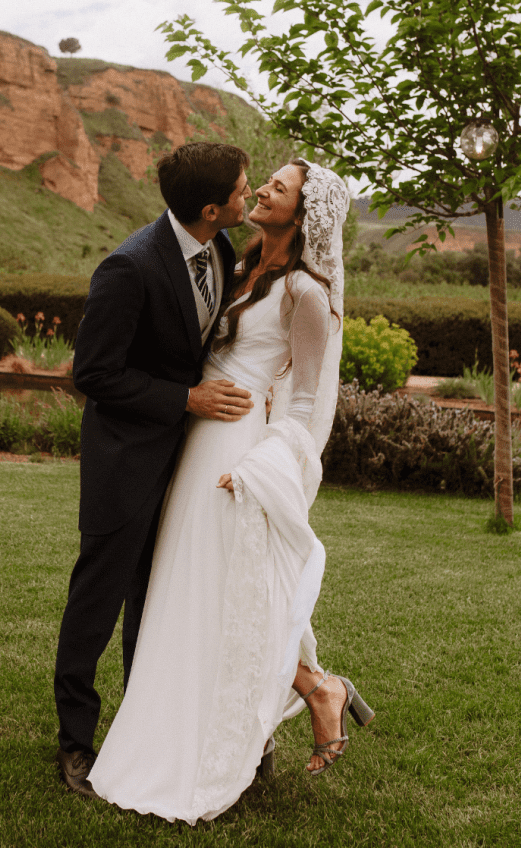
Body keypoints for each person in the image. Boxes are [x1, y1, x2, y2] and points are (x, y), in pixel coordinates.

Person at [88, 159, 374, 824]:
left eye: (277, 188)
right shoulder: (241, 262)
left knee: (229, 587)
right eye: (263, 182)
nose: (262, 190)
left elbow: (307, 398)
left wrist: (267, 466)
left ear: (302, 214)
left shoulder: (307, 291)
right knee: (193, 586)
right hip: (198, 434)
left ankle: (300, 697)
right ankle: (316, 688)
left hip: (239, 449)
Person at [54, 141, 256, 797]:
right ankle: (76, 742)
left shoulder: (219, 251)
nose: (247, 196)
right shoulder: (128, 267)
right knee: (99, 600)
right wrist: (184, 400)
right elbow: (92, 374)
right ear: (210, 207)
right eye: (241, 189)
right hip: (124, 461)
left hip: (188, 460)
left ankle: (147, 732)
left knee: (160, 598)